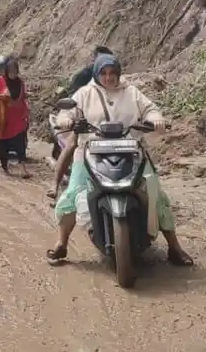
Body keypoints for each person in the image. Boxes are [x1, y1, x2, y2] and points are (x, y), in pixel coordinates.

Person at [46, 53, 194, 267]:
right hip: (90, 152)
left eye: (112, 73)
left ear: (118, 73)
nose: (108, 77)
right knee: (72, 194)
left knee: (157, 194)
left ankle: (174, 247)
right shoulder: (85, 93)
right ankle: (62, 243)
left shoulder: (132, 92)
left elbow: (150, 109)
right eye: (104, 73)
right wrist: (66, 119)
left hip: (131, 150)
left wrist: (156, 119)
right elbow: (66, 111)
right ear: (97, 74)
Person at [0, 57, 31, 177]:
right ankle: (4, 166)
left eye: (15, 72)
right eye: (11, 72)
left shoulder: (20, 82)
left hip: (17, 119)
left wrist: (26, 95)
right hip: (3, 119)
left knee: (20, 144)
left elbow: (22, 95)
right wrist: (1, 95)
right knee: (2, 146)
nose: (13, 75)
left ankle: (23, 169)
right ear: (7, 71)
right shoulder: (0, 80)